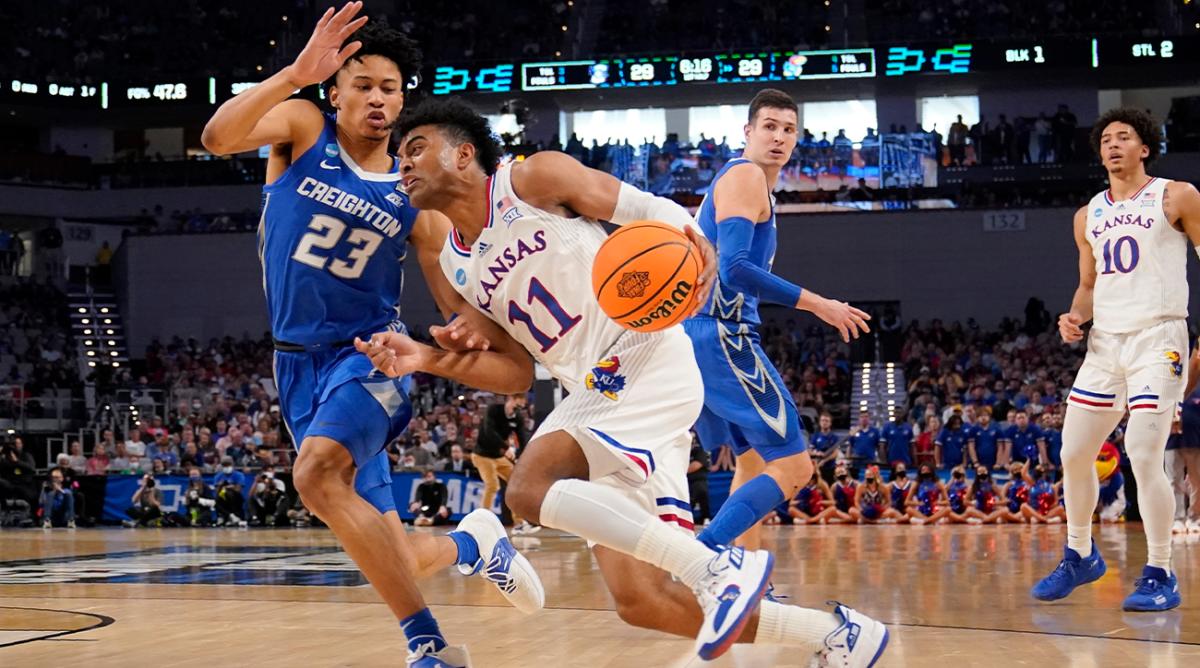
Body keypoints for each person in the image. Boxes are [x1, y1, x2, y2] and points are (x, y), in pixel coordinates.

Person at [362, 97, 888, 664]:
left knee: (527, 489)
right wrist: (423, 356)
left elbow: (652, 209)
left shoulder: (532, 178)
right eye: (398, 157)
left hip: (643, 352)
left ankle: (715, 565)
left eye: (415, 149)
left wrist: (695, 248)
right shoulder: (456, 266)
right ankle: (839, 637)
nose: (403, 165)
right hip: (597, 393)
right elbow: (515, 374)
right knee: (643, 601)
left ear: (464, 154)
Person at [200, 5, 541, 663]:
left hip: (369, 361)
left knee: (314, 476)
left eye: (390, 88)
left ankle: (430, 650)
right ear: (335, 92)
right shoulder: (301, 128)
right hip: (297, 369)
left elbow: (454, 307)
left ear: (404, 100)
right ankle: (474, 543)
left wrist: (469, 327)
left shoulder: (416, 191)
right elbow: (217, 138)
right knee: (398, 560)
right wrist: (292, 74)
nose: (378, 98)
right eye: (364, 85)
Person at [685, 89, 869, 558]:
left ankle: (736, 573)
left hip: (704, 334)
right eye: (769, 126)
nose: (780, 137)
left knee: (752, 464)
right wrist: (819, 304)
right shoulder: (745, 176)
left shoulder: (752, 184)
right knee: (795, 467)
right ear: (747, 132)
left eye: (789, 129)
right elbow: (736, 270)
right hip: (723, 335)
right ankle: (699, 559)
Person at [1033, 108, 1200, 612]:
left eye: (1123, 137)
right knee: (1072, 453)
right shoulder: (1089, 214)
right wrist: (1074, 317)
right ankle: (1080, 555)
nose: (1112, 144)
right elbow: (1088, 286)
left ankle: (1160, 572)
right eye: (1105, 138)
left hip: (1159, 337)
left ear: (1144, 147)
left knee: (1144, 451)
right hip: (1106, 343)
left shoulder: (1176, 195)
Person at [473, 394, 531, 531]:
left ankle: (519, 523)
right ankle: (481, 522)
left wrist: (523, 456)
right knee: (493, 485)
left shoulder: (517, 418)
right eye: (516, 406)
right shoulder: (493, 410)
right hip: (482, 455)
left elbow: (522, 438)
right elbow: (489, 432)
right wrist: (505, 449)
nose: (517, 411)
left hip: (499, 457)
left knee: (515, 483)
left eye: (520, 408)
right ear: (510, 399)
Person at [687, 438, 712, 526]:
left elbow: (697, 464)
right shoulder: (683, 451)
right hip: (686, 480)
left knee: (701, 491)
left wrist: (681, 470)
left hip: (698, 479)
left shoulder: (700, 449)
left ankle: (706, 517)